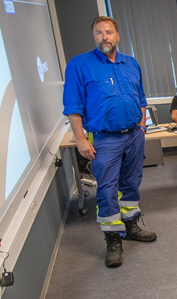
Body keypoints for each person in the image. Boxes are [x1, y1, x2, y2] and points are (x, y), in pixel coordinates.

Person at [62, 15, 156, 268]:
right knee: (106, 188)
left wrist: (141, 126)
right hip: (105, 139)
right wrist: (80, 139)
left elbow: (141, 97)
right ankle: (113, 239)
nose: (105, 37)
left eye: (109, 32)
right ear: (94, 36)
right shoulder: (80, 65)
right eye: (99, 33)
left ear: (118, 35)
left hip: (134, 136)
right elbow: (73, 107)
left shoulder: (131, 63)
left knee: (131, 183)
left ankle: (131, 225)